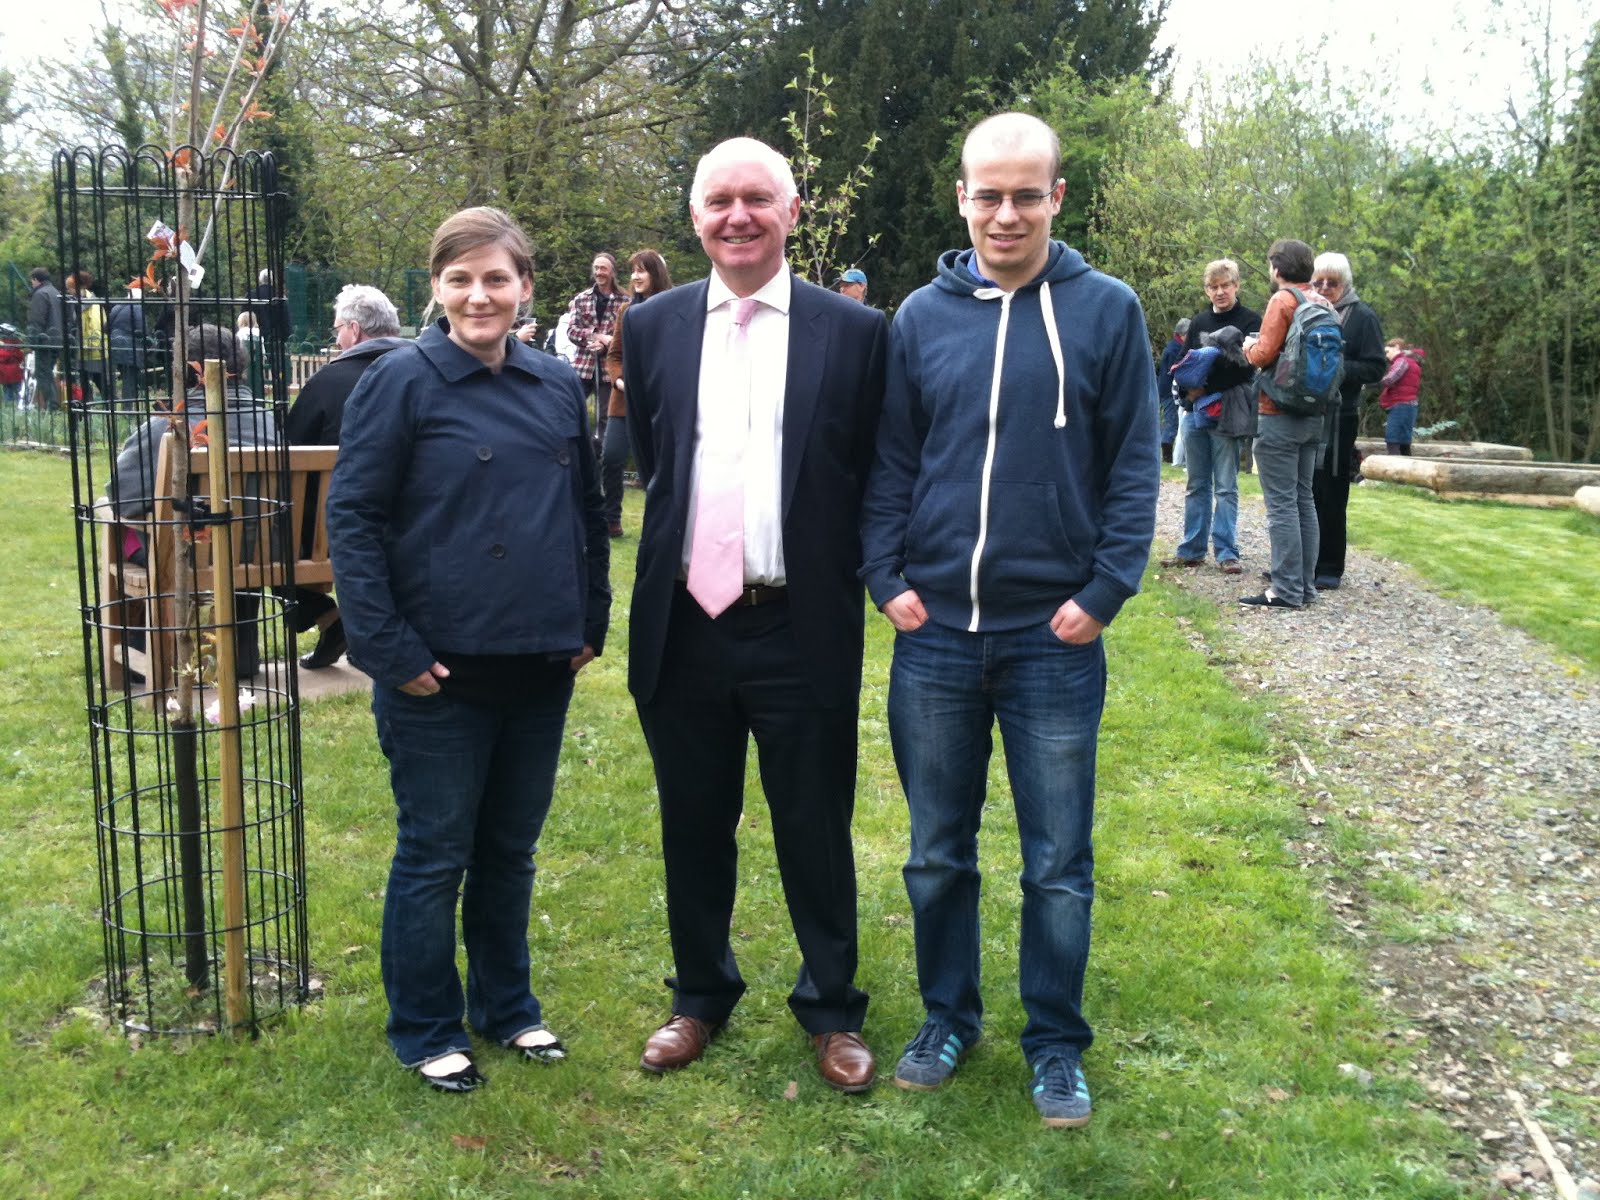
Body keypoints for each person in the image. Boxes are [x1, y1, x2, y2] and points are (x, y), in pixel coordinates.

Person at [859, 112, 1159, 1129]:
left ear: (1056, 200)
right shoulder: (919, 319)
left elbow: (1132, 465)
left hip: (1053, 639)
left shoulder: (1107, 311)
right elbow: (892, 459)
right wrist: (883, 573)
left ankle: (1055, 1043)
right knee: (936, 850)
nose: (1005, 212)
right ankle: (948, 1014)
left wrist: (1106, 588)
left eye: (1025, 194)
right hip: (935, 632)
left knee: (1056, 863)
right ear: (961, 199)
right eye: (987, 194)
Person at [622, 137, 888, 1093]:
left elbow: (869, 470)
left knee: (812, 822)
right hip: (684, 622)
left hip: (798, 620)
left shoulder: (854, 333)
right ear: (695, 215)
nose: (738, 216)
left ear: (793, 210)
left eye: (757, 199)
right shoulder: (648, 327)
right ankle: (699, 996)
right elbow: (659, 460)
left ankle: (831, 1007)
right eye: (719, 200)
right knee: (693, 820)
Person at [326, 206, 610, 1094]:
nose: (479, 295)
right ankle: (424, 1025)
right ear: (437, 289)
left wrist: (588, 622)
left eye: (496, 278)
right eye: (460, 279)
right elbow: (354, 520)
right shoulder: (400, 379)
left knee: (510, 851)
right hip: (436, 670)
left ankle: (507, 1006)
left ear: (525, 288)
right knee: (434, 852)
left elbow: (588, 515)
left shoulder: (558, 383)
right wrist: (388, 650)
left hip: (538, 660)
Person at [108, 323, 277, 677]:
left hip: (188, 553)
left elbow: (123, 498)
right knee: (235, 536)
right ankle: (239, 653)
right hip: (257, 550)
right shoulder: (270, 424)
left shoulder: (166, 427)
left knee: (115, 520)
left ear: (187, 370)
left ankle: (143, 650)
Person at [283, 284, 411, 669]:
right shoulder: (429, 370)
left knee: (269, 533)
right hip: (418, 522)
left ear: (354, 330)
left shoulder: (328, 382)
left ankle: (329, 618)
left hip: (333, 536)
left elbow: (291, 448)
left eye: (337, 328)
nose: (336, 337)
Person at [1240, 238, 1329, 609]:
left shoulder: (1283, 300)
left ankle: (1286, 590)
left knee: (1281, 505)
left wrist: (1247, 347)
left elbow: (1263, 354)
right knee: (1303, 499)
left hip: (1279, 413)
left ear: (1277, 267)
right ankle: (1305, 587)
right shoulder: (1322, 302)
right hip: (1314, 414)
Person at [1162, 259, 1261, 575]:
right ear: (1207, 289)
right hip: (1194, 413)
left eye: (1224, 285)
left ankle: (1227, 552)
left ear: (1236, 285)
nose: (1219, 291)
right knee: (1196, 482)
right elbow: (1180, 361)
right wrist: (1190, 391)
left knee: (1226, 486)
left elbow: (1247, 367)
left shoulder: (1250, 321)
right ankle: (1191, 549)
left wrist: (1205, 387)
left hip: (1228, 412)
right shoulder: (1199, 321)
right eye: (1213, 286)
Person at [1307, 253, 1386, 591]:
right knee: (1305, 490)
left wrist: (1335, 368)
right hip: (1308, 414)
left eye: (1332, 282)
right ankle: (1301, 562)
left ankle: (1329, 566)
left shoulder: (1362, 316)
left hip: (1341, 416)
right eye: (1319, 281)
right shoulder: (1308, 313)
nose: (1325, 288)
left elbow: (1375, 368)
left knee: (1332, 491)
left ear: (1345, 284)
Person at [601, 250, 672, 538]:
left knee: (658, 466)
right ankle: (610, 520)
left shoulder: (673, 309)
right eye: (632, 271)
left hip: (660, 402)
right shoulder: (626, 311)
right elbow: (614, 356)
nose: (635, 276)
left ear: (656, 274)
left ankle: (660, 524)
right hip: (623, 402)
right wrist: (621, 382)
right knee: (611, 458)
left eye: (642, 270)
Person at [565, 252, 623, 455]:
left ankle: (602, 457)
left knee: (605, 417)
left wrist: (607, 345)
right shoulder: (581, 299)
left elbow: (626, 334)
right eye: (596, 268)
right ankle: (578, 451)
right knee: (570, 408)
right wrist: (595, 337)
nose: (599, 272)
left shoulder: (625, 300)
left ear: (612, 271)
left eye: (603, 268)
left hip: (608, 369)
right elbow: (571, 331)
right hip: (583, 367)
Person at [64, 271, 109, 403]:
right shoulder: (88, 300)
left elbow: (95, 326)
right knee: (94, 382)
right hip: (90, 348)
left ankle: (99, 406)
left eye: (69, 288)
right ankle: (92, 406)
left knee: (96, 382)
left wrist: (90, 344)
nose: (68, 291)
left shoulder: (87, 304)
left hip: (91, 348)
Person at [1378, 338, 1424, 455]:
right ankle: (1408, 471)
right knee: (1404, 444)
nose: (1387, 356)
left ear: (1397, 347)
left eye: (1388, 352)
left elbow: (1390, 379)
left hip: (1400, 405)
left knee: (1393, 442)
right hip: (1409, 405)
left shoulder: (1402, 361)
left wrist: (1373, 381)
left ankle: (1393, 471)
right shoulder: (1412, 362)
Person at [26, 268, 63, 410]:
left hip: (44, 341)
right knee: (48, 372)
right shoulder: (55, 292)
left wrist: (32, 341)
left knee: (43, 373)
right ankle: (53, 404)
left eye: (32, 281)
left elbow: (37, 320)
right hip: (57, 339)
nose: (32, 284)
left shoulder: (40, 294)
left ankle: (52, 406)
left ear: (36, 279)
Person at [1154, 317, 1189, 463]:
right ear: (1183, 334)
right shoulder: (1175, 349)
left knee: (1172, 422)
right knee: (1172, 423)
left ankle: (1168, 456)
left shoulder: (1173, 346)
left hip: (1167, 390)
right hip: (1169, 391)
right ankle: (1167, 457)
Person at [107, 281, 148, 400]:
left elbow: (106, 327)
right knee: (130, 379)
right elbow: (142, 328)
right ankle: (128, 407)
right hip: (130, 346)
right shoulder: (137, 307)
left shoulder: (117, 306)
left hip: (115, 345)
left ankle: (125, 405)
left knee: (125, 376)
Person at [0, 324, 27, 407]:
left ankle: (15, 406)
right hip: (8, 373)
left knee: (13, 392)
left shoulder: (14, 343)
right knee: (12, 392)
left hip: (11, 372)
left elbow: (19, 357)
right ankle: (17, 406)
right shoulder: (15, 343)